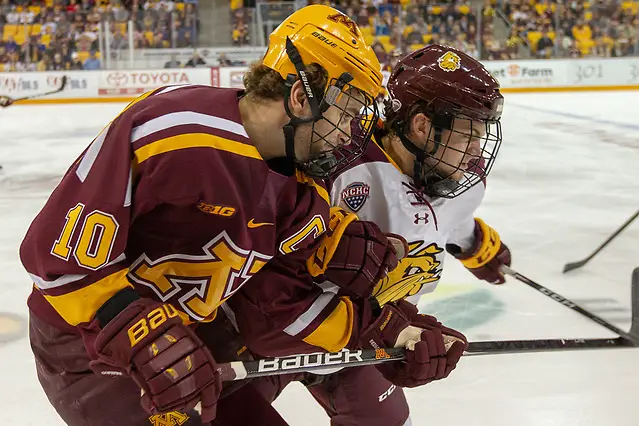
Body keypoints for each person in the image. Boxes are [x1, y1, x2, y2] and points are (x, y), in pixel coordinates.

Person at [21, 5, 397, 425]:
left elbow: (285, 297)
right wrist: (141, 336)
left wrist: (393, 328)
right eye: (344, 114)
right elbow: (57, 260)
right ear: (300, 96)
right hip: (88, 350)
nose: (349, 133)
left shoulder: (301, 185)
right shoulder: (174, 131)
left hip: (187, 344)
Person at [227, 44, 507, 426]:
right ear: (423, 126)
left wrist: (478, 247)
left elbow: (449, 222)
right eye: (468, 134)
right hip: (276, 328)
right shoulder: (333, 158)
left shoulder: (461, 178)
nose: (477, 150)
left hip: (360, 332)